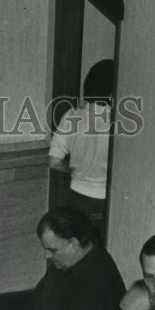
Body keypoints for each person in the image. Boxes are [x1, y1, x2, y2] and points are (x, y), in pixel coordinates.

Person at [48, 59, 114, 239]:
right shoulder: (119, 122)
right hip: (104, 199)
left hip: (75, 195)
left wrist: (73, 170)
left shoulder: (71, 116)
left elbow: (54, 162)